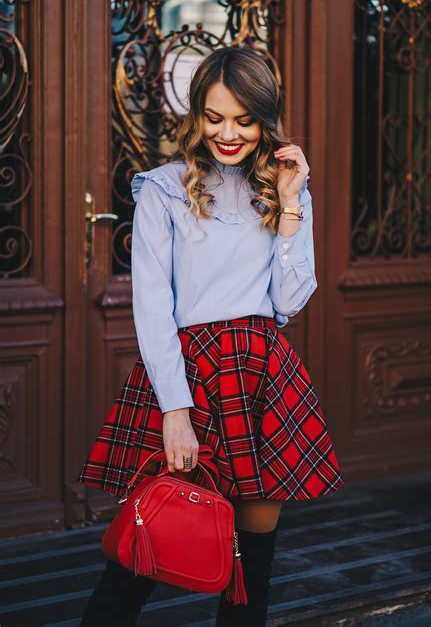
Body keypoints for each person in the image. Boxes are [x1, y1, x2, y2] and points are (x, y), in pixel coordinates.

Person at [78, 45, 344, 626]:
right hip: (189, 377)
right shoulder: (165, 188)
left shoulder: (282, 190)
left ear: (265, 119)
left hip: (262, 378)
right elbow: (152, 305)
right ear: (196, 114)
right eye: (215, 116)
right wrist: (177, 409)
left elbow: (288, 301)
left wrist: (293, 203)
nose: (229, 133)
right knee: (141, 557)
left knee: (251, 572)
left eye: (244, 120)